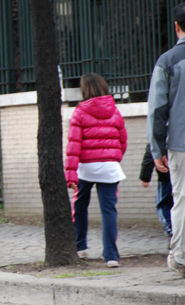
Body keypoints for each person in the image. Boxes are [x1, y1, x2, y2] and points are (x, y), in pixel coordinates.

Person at [65, 73, 127, 268]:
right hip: (109, 168)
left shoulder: (80, 112)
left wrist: (70, 174)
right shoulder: (115, 111)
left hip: (85, 168)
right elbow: (122, 141)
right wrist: (113, 158)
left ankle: (80, 247)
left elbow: (74, 145)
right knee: (109, 211)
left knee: (80, 205)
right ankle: (111, 256)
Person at [147, 2, 185, 275]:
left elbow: (157, 109)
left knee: (181, 199)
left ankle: (181, 257)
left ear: (176, 26)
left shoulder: (168, 61)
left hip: (180, 144)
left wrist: (157, 147)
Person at [139, 144, 173, 239]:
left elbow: (150, 153)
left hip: (165, 178)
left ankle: (171, 230)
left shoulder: (159, 134)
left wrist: (145, 177)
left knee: (163, 204)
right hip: (177, 176)